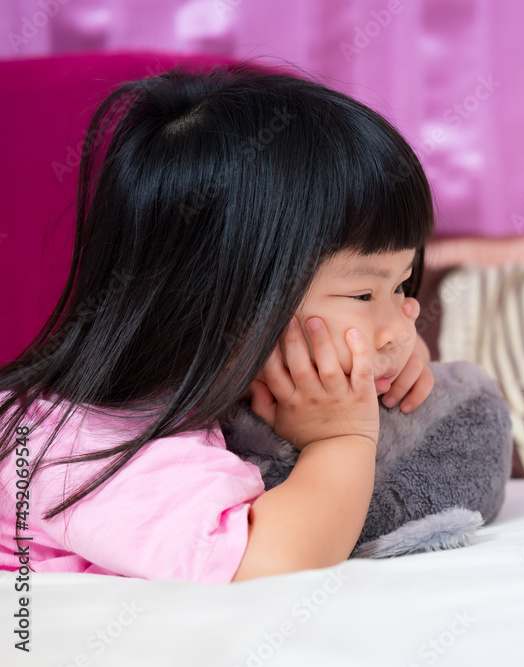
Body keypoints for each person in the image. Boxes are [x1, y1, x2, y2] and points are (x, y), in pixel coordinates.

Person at [0, 61, 436, 584]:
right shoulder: (83, 447)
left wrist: (392, 358)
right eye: (364, 293)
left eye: (401, 287)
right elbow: (268, 558)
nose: (395, 325)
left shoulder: (214, 382)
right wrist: (342, 439)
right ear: (221, 296)